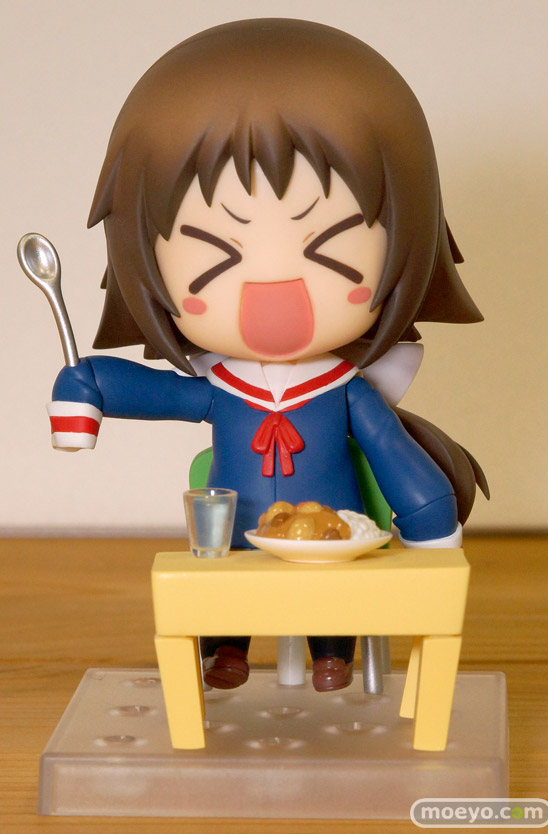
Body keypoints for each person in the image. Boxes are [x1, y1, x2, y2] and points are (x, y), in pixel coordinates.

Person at [48, 19, 488, 693]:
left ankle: (331, 651)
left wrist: (429, 518)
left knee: (332, 590)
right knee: (223, 582)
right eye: (213, 257)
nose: (275, 295)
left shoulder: (344, 389)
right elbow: (150, 391)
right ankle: (227, 648)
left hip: (335, 545)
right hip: (235, 544)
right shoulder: (221, 389)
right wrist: (85, 390)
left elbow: (391, 450)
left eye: (332, 248)